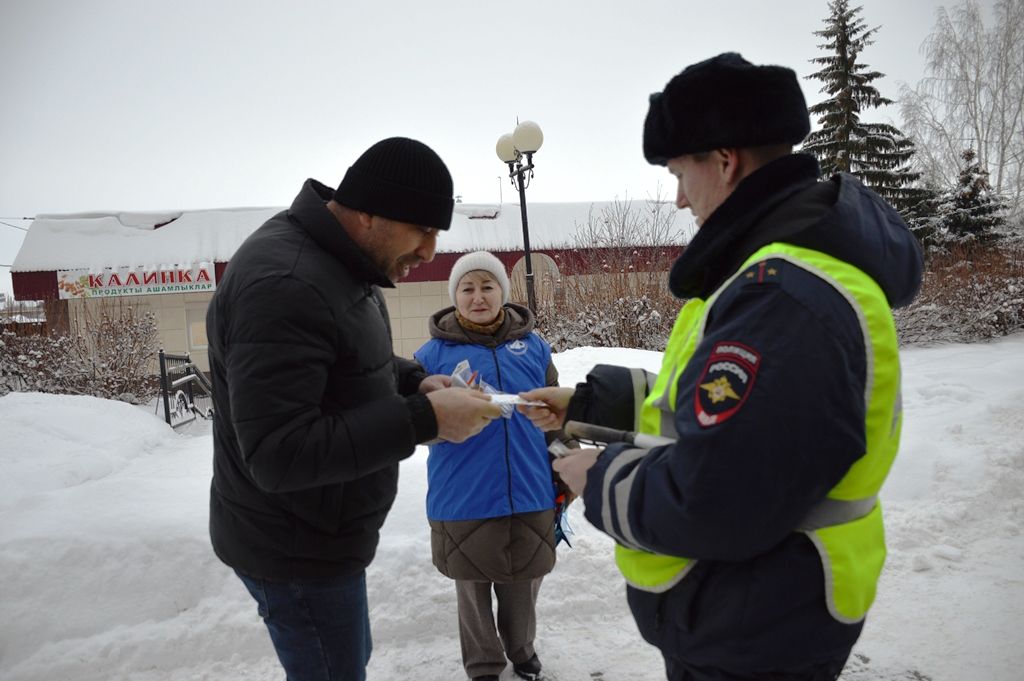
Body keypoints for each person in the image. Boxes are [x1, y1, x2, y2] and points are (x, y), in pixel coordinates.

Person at [520, 53, 924, 681]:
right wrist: (588, 405)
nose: (679, 200)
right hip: (750, 614)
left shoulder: (784, 294)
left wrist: (598, 478)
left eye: (680, 174)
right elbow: (722, 408)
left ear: (725, 161)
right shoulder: (768, 273)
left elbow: (718, 496)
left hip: (758, 629)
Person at [206, 137, 503, 681]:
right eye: (424, 231)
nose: (431, 252)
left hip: (323, 534)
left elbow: (339, 357)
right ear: (369, 213)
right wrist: (426, 421)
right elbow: (279, 453)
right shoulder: (287, 282)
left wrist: (415, 381)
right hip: (295, 549)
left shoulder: (335, 258)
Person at [413, 251, 563, 681]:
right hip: (464, 494)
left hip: (530, 487)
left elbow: (554, 413)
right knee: (472, 589)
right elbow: (418, 425)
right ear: (454, 296)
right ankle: (483, 665)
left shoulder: (535, 347)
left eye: (487, 286)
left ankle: (523, 651)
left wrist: (563, 465)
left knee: (524, 581)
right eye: (467, 288)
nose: (478, 297)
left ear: (503, 291)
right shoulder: (431, 355)